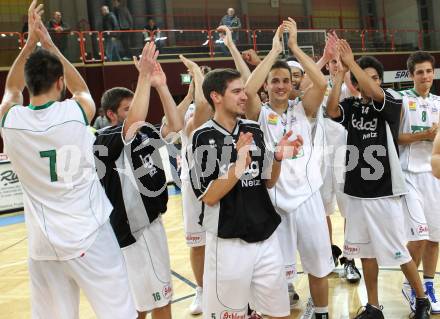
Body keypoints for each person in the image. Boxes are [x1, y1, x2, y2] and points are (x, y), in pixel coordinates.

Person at [0, 2, 136, 318]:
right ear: (59, 83)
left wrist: (29, 43)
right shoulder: (74, 115)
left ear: (28, 85)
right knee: (119, 313)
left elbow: (10, 87)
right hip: (89, 236)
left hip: (43, 248)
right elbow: (83, 92)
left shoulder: (10, 121)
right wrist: (48, 44)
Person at [326, 39, 431, 319]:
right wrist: (338, 77)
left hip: (384, 191)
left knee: (399, 251)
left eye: (373, 77)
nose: (368, 82)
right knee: (365, 253)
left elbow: (374, 91)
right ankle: (374, 306)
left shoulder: (392, 102)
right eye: (363, 77)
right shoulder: (351, 105)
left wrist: (352, 65)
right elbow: (331, 110)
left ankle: (421, 300)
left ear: (379, 81)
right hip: (357, 192)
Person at [189, 67, 303, 319]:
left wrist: (278, 158)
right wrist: (239, 163)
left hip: (266, 236)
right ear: (216, 96)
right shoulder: (201, 137)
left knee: (279, 313)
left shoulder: (254, 129)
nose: (244, 96)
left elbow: (268, 182)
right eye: (237, 91)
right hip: (229, 241)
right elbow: (209, 196)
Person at [245, 19, 332, 318]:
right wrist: (273, 52)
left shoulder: (303, 108)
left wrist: (293, 46)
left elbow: (321, 83)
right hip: (274, 202)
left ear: (292, 84)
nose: (281, 85)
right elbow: (247, 89)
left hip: (307, 198)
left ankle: (321, 312)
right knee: (276, 272)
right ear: (267, 87)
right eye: (274, 81)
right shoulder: (259, 113)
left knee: (318, 264)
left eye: (285, 80)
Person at [94, 42, 182, 319]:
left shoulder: (143, 132)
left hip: (151, 225)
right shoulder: (105, 138)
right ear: (111, 115)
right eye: (126, 109)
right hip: (134, 232)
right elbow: (132, 124)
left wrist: (160, 86)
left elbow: (175, 125)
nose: (135, 113)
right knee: (155, 304)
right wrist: (143, 76)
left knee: (142, 303)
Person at [398, 51, 440, 313]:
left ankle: (429, 285)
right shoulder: (401, 100)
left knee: (435, 238)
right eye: (420, 72)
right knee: (419, 237)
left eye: (428, 71)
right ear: (412, 75)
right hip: (409, 174)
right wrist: (423, 135)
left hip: (434, 175)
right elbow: (396, 137)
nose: (425, 76)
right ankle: (411, 286)